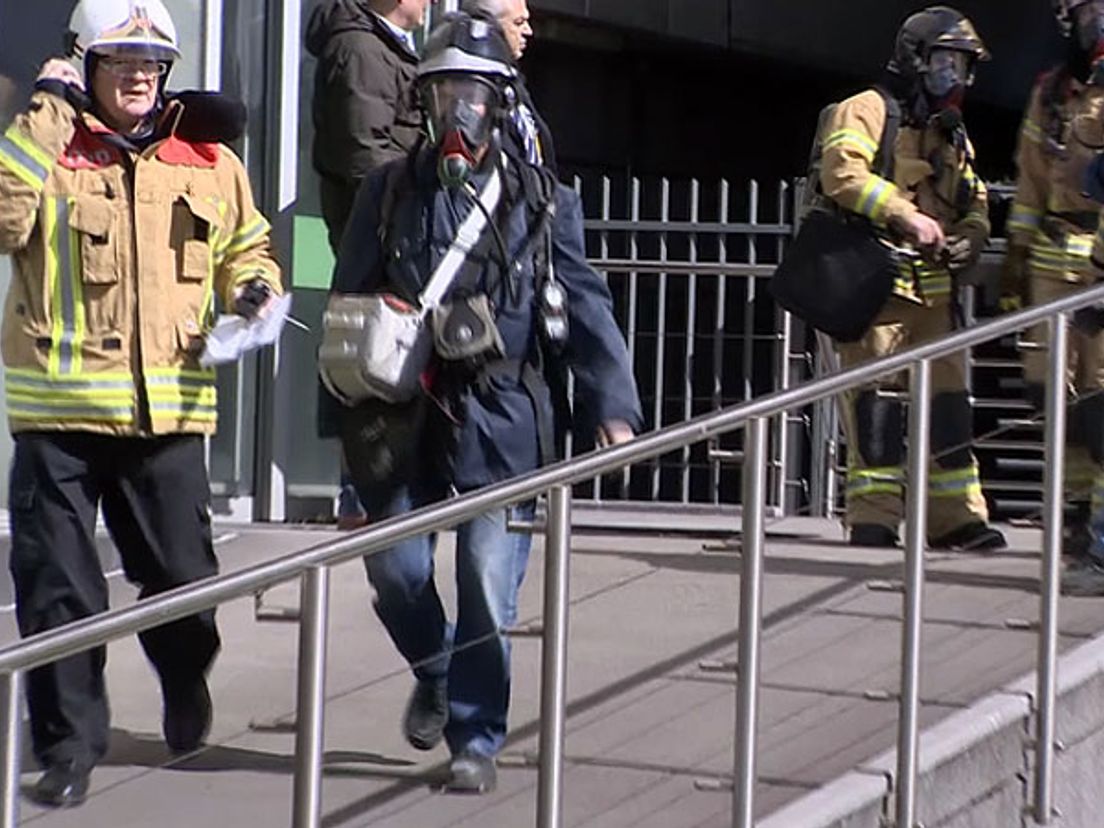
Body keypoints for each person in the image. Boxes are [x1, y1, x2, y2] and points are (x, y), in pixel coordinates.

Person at [323, 12, 642, 793]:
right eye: (443, 97)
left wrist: (614, 408)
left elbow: (588, 304)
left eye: (473, 96)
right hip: (403, 421)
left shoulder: (542, 200)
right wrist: (341, 446)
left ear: (501, 104)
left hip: (503, 420)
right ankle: (433, 672)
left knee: (485, 584)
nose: (457, 115)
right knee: (395, 573)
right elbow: (345, 313)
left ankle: (476, 739)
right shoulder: (387, 192)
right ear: (425, 105)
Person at [0, 0, 281, 807]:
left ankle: (185, 676)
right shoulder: (47, 147)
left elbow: (244, 244)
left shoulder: (208, 157)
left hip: (168, 414)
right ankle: (68, 749)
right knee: (60, 593)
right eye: (122, 62)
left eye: (153, 64)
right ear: (84, 65)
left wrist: (254, 288)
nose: (140, 77)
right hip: (58, 416)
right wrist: (46, 111)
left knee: (184, 579)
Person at [818, 6, 1006, 551]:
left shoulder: (948, 132)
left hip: (935, 300)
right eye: (947, 63)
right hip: (877, 290)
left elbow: (974, 199)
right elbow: (843, 174)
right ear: (915, 59)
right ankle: (874, 518)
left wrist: (971, 232)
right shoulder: (867, 109)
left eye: (964, 67)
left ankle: (955, 519)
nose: (957, 78)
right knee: (877, 410)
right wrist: (905, 215)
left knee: (949, 410)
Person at [307, 0, 435, 531]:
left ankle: (376, 489)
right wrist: (411, 214)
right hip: (383, 236)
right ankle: (358, 493)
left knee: (388, 357)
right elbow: (364, 158)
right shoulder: (360, 49)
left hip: (389, 233)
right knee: (367, 356)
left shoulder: (384, 47)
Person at [1004, 0, 1104, 593]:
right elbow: (1030, 177)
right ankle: (1069, 523)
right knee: (1052, 396)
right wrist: (1015, 255)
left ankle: (1094, 530)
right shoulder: (1052, 90)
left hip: (1098, 264)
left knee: (1101, 399)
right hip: (1052, 256)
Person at [461, 0, 555, 171]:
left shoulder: (514, 86)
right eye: (518, 23)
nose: (528, 31)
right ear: (488, 26)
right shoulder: (468, 89)